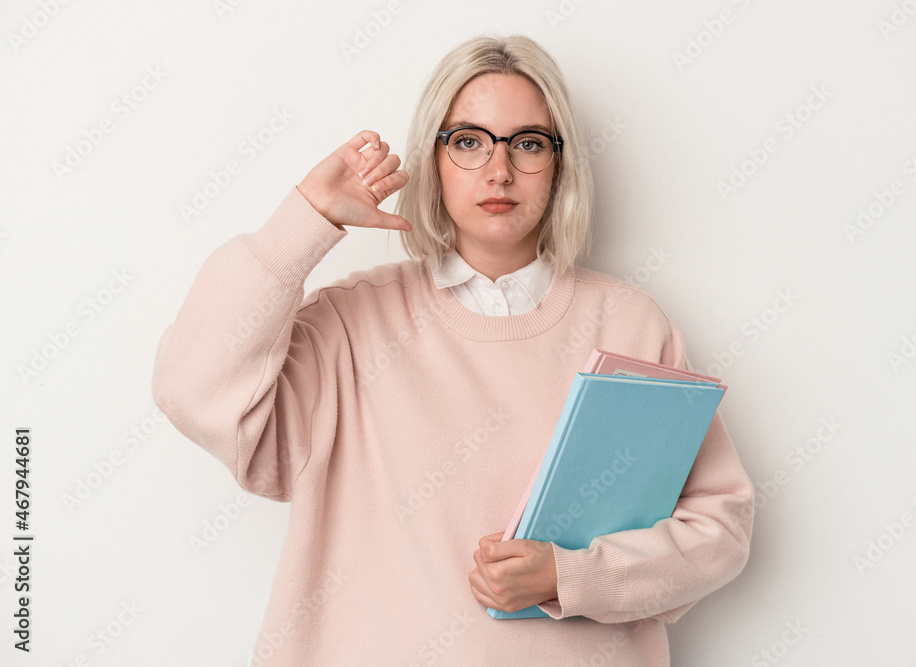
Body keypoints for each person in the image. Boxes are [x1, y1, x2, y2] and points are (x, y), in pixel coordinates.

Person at [152, 32, 754, 666]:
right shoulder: (349, 323)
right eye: (468, 141)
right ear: (432, 160)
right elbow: (192, 388)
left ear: (561, 163)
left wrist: (571, 576)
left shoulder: (630, 324)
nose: (499, 170)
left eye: (528, 143)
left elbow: (719, 527)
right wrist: (303, 222)